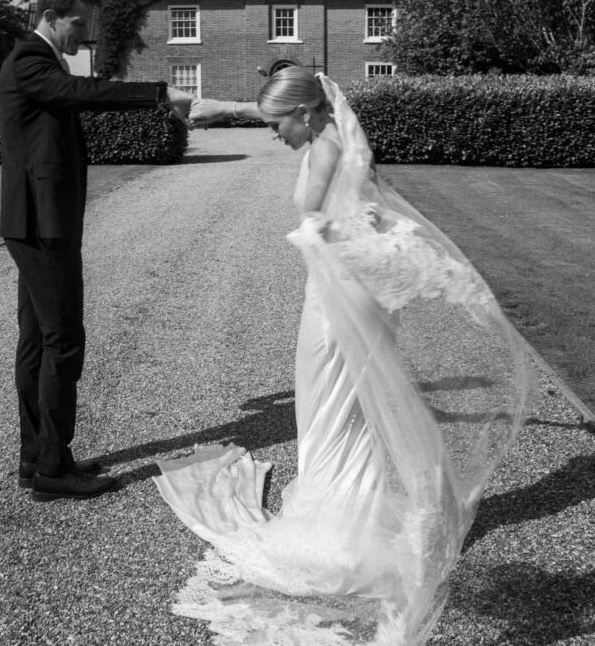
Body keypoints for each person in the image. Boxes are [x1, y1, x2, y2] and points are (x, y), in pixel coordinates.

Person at [155, 68, 531, 645]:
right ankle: (340, 507)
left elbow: (325, 216)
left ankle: (336, 526)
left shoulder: (329, 147)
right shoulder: (337, 141)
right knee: (337, 408)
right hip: (334, 289)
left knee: (329, 404)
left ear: (305, 114)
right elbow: (366, 209)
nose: (276, 134)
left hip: (338, 299)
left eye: (278, 123)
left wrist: (320, 230)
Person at [0, 0, 192, 502]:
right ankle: (53, 470)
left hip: (35, 222)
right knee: (64, 343)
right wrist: (158, 93)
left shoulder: (37, 60)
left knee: (38, 342)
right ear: (51, 16)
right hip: (44, 224)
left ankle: (38, 458)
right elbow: (80, 91)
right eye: (79, 26)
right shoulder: (30, 61)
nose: (85, 37)